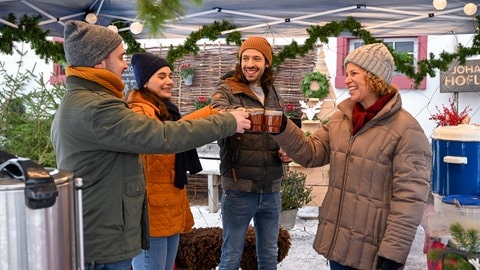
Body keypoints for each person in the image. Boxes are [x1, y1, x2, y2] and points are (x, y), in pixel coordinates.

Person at [50, 20, 250, 270]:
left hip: (104, 228)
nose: (125, 65)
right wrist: (226, 122)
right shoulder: (98, 108)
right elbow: (163, 137)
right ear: (99, 60)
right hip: (105, 237)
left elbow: (169, 130)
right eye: (121, 57)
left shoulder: (85, 101)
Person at [272, 43, 432, 270]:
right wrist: (282, 126)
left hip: (374, 253)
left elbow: (410, 197)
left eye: (354, 73)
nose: (347, 80)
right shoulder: (340, 119)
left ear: (375, 76)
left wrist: (393, 253)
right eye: (346, 74)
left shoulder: (406, 130)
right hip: (340, 245)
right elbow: (311, 153)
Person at [126, 52, 219, 270]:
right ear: (145, 81)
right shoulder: (139, 112)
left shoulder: (163, 109)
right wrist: (213, 117)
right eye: (161, 76)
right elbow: (169, 137)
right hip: (153, 211)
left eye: (170, 75)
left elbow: (175, 131)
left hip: (169, 205)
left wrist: (211, 112)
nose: (169, 81)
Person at [211, 36, 288, 270]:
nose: (250, 63)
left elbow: (280, 129)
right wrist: (240, 113)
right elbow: (215, 113)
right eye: (245, 58)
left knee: (268, 255)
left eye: (256, 58)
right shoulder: (226, 90)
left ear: (266, 63)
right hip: (239, 187)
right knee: (231, 255)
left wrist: (284, 149)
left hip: (271, 187)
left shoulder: (272, 91)